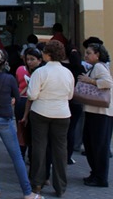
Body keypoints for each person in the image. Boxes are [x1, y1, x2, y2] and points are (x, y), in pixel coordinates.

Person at [0, 49, 42, 199]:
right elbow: (17, 96)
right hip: (4, 119)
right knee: (16, 156)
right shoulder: (9, 79)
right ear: (5, 63)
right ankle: (27, 192)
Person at [27, 40, 74, 197]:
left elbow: (32, 95)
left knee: (39, 148)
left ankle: (37, 184)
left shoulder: (40, 72)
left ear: (47, 54)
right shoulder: (67, 73)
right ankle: (60, 186)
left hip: (41, 111)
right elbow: (70, 95)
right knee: (60, 150)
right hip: (62, 113)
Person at [79, 43, 113, 188]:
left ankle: (100, 177)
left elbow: (108, 82)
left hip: (101, 113)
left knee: (99, 145)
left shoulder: (99, 67)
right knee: (91, 143)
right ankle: (96, 174)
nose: (86, 55)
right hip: (94, 111)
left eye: (88, 53)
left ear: (97, 54)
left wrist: (90, 81)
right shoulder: (94, 67)